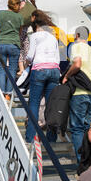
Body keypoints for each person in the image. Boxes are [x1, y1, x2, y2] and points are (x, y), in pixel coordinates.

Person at [62, 26, 91, 163]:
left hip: (80, 92)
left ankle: (83, 162)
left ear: (78, 35)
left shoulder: (76, 47)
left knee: (77, 128)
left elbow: (77, 64)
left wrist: (66, 76)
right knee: (90, 128)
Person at [25, 9, 60, 143]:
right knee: (50, 104)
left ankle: (30, 136)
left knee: (34, 103)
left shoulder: (34, 36)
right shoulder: (52, 36)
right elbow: (57, 57)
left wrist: (26, 64)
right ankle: (52, 136)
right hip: (54, 70)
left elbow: (30, 55)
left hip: (40, 69)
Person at [0, 0, 24, 100]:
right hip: (14, 44)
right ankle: (8, 93)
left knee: (1, 69)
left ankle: (2, 92)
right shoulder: (19, 17)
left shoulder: (1, 14)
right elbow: (20, 32)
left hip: (1, 43)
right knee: (12, 70)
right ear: (16, 5)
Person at [17, 0, 37, 76]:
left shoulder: (23, 1)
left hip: (20, 28)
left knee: (20, 48)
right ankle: (26, 68)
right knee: (26, 48)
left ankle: (21, 69)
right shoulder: (34, 7)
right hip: (28, 29)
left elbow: (20, 9)